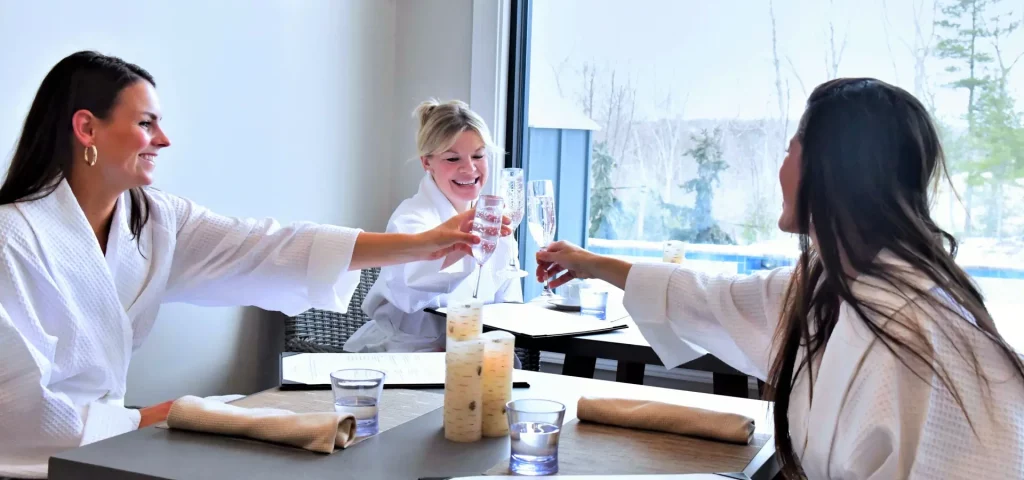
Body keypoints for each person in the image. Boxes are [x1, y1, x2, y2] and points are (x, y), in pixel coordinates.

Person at [0, 51, 502, 479]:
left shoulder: (154, 220)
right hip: (36, 461)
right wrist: (150, 418)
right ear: (87, 127)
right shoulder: (11, 240)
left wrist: (423, 244)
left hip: (112, 444)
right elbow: (15, 410)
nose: (164, 139)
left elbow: (267, 246)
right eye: (145, 123)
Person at [536, 78, 1024, 479]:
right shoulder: (830, 288)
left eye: (791, 149)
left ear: (830, 171)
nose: (781, 168)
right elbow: (711, 298)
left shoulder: (929, 333)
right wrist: (591, 263)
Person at [344, 99, 523, 353]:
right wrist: (462, 247)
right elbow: (409, 291)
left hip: (477, 355)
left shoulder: (492, 220)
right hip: (409, 358)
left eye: (479, 155)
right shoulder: (410, 219)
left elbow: (509, 301)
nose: (469, 168)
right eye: (452, 158)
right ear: (426, 162)